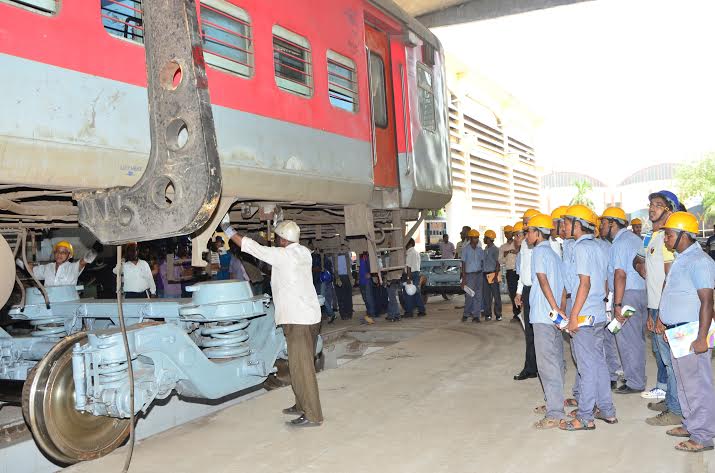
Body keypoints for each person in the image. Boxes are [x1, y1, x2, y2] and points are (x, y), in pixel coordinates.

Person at [221, 215, 324, 427]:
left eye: (278, 238)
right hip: (311, 317)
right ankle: (300, 404)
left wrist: (228, 229)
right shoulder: (304, 253)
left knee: (302, 369)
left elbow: (251, 247)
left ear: (284, 241)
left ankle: (313, 415)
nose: (275, 241)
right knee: (299, 366)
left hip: (298, 321)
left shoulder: (283, 256)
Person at [658, 212, 715, 452]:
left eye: (669, 234)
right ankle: (691, 424)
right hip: (677, 333)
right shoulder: (681, 258)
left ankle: (703, 435)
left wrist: (702, 337)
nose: (665, 239)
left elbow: (707, 302)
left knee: (697, 386)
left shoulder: (700, 262)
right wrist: (662, 319)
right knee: (683, 383)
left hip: (692, 333)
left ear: (684, 235)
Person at [560, 204, 617, 431]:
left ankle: (585, 416)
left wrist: (574, 315)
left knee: (587, 367)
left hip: (583, 312)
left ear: (578, 224)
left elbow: (585, 283)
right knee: (598, 363)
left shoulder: (581, 249)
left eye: (567, 221)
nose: (563, 225)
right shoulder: (600, 247)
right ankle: (607, 410)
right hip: (597, 312)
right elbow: (603, 283)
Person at [634, 190, 680, 421]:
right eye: (651, 204)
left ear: (669, 211)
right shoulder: (652, 236)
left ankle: (675, 410)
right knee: (663, 356)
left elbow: (669, 280)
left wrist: (661, 312)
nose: (652, 208)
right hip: (656, 305)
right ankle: (671, 401)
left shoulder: (667, 239)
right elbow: (638, 260)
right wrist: (642, 268)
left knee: (672, 361)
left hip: (665, 306)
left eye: (658, 205)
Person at [526, 214, 567, 429]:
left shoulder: (539, 252)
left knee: (547, 364)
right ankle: (554, 402)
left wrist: (553, 308)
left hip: (544, 315)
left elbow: (542, 281)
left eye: (528, 230)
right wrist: (559, 310)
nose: (526, 234)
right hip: (552, 315)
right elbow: (562, 286)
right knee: (556, 360)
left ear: (537, 232)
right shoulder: (553, 253)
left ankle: (555, 412)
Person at [602, 207, 648, 395]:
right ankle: (637, 377)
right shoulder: (635, 239)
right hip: (641, 293)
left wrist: (618, 304)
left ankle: (635, 382)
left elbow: (620, 275)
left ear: (613, 223)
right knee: (636, 338)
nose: (601, 226)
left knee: (627, 340)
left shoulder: (619, 243)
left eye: (604, 223)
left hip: (627, 295)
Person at [596, 215, 622, 389]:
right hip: (599, 297)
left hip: (606, 298)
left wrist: (606, 299)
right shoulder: (598, 245)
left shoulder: (606, 247)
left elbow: (607, 275)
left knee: (608, 337)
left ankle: (612, 373)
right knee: (604, 338)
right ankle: (608, 372)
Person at [514, 208, 540, 380]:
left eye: (527, 222)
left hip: (540, 291)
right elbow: (523, 271)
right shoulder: (524, 244)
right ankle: (530, 368)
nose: (524, 225)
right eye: (524, 222)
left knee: (542, 332)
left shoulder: (548, 243)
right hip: (528, 290)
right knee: (530, 332)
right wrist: (518, 292)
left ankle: (545, 368)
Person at [17, 240, 97, 286]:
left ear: (70, 256)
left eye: (63, 252)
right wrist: (14, 258)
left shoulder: (73, 268)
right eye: (57, 252)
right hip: (49, 305)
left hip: (67, 305)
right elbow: (31, 270)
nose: (59, 254)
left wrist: (95, 250)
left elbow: (85, 260)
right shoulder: (48, 267)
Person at [460, 229, 484, 322]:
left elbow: (482, 261)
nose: (476, 239)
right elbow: (463, 263)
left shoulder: (479, 249)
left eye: (477, 237)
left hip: (479, 274)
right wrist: (464, 277)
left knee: (478, 296)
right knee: (469, 295)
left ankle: (476, 316)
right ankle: (466, 314)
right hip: (469, 275)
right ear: (470, 238)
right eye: (474, 238)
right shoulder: (465, 249)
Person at [499, 225, 520, 320]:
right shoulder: (503, 247)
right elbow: (500, 261)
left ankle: (522, 313)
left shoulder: (519, 244)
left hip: (519, 272)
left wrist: (517, 252)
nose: (507, 234)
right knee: (512, 293)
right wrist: (505, 254)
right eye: (506, 232)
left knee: (521, 293)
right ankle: (516, 313)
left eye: (509, 232)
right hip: (510, 272)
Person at [482, 230, 502, 321]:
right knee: (486, 296)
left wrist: (496, 274)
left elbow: (498, 263)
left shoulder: (495, 249)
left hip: (493, 273)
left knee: (496, 295)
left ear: (489, 239)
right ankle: (488, 314)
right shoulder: (485, 249)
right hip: (485, 274)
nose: (483, 239)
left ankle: (498, 314)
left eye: (485, 237)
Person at [404, 238, 427, 317]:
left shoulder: (410, 253)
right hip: (416, 273)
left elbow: (408, 267)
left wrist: (408, 278)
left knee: (409, 293)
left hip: (411, 274)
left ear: (410, 244)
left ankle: (409, 312)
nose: (405, 245)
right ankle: (422, 310)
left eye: (406, 243)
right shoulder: (416, 252)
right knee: (416, 293)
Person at [334, 251, 354, 320]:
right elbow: (350, 265)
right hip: (345, 277)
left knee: (341, 298)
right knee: (347, 297)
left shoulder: (334, 254)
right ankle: (348, 313)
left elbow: (332, 267)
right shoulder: (347, 253)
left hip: (340, 277)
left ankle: (344, 314)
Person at [357, 252, 376, 325]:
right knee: (365, 299)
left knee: (369, 298)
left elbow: (374, 267)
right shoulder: (361, 258)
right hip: (362, 281)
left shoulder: (368, 258)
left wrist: (370, 274)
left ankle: (371, 315)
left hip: (367, 281)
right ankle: (369, 314)